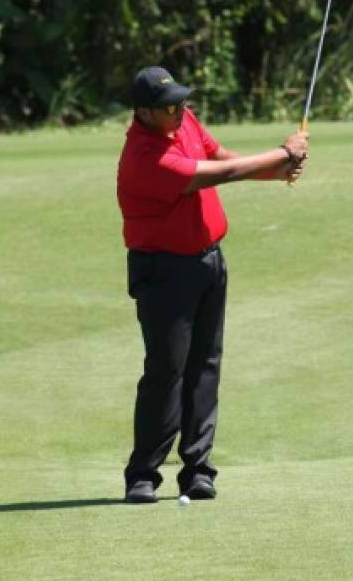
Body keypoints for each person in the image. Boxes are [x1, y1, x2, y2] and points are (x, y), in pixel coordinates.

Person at [117, 66, 308, 504]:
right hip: (163, 271)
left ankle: (198, 469)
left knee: (205, 366)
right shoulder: (145, 158)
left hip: (208, 262)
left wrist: (278, 169)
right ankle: (142, 474)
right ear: (143, 113)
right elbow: (218, 176)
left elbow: (223, 159)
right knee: (167, 370)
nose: (180, 109)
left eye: (182, 100)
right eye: (170, 106)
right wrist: (282, 152)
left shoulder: (183, 122)